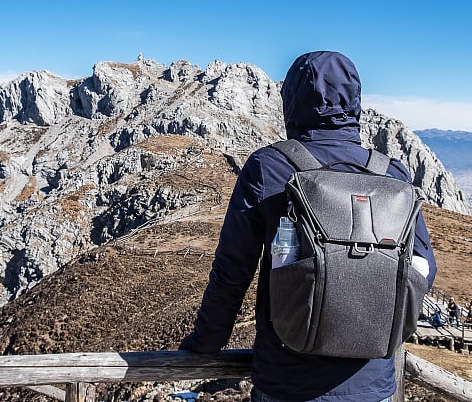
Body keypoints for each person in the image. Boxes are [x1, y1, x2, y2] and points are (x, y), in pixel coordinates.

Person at [180, 51, 437, 402]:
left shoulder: (269, 168)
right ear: (355, 101)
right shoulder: (391, 175)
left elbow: (232, 271)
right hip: (371, 382)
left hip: (288, 381)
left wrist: (204, 344)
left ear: (291, 102)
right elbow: (423, 268)